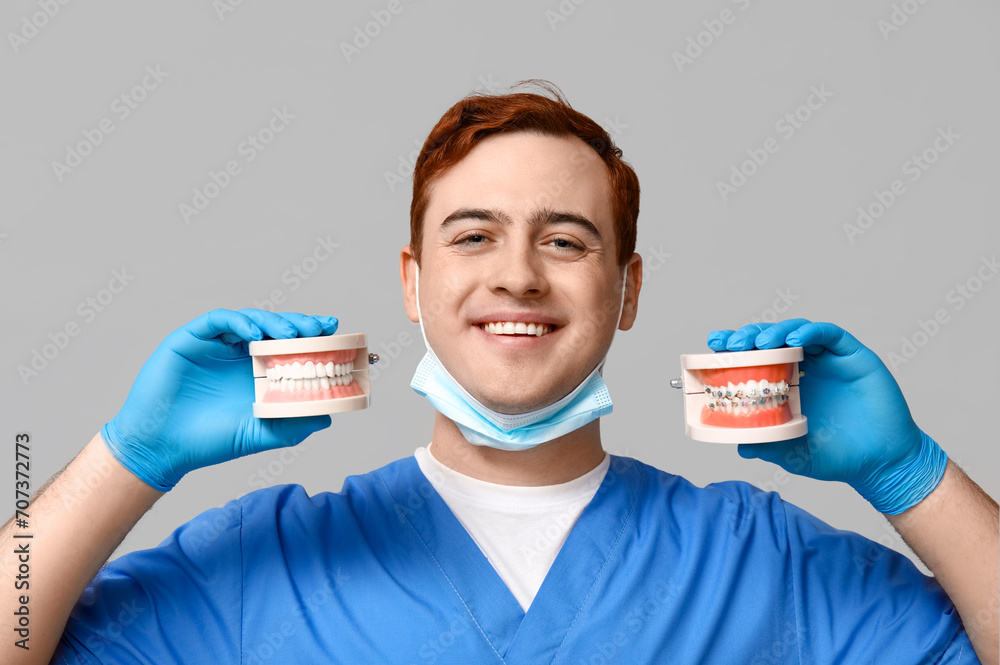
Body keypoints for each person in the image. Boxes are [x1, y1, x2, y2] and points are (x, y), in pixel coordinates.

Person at [3, 81, 997, 664]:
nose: (515, 273)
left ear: (627, 287)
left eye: (565, 239)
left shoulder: (757, 562)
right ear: (413, 280)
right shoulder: (266, 565)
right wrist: (125, 460)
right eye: (472, 234)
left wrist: (908, 474)